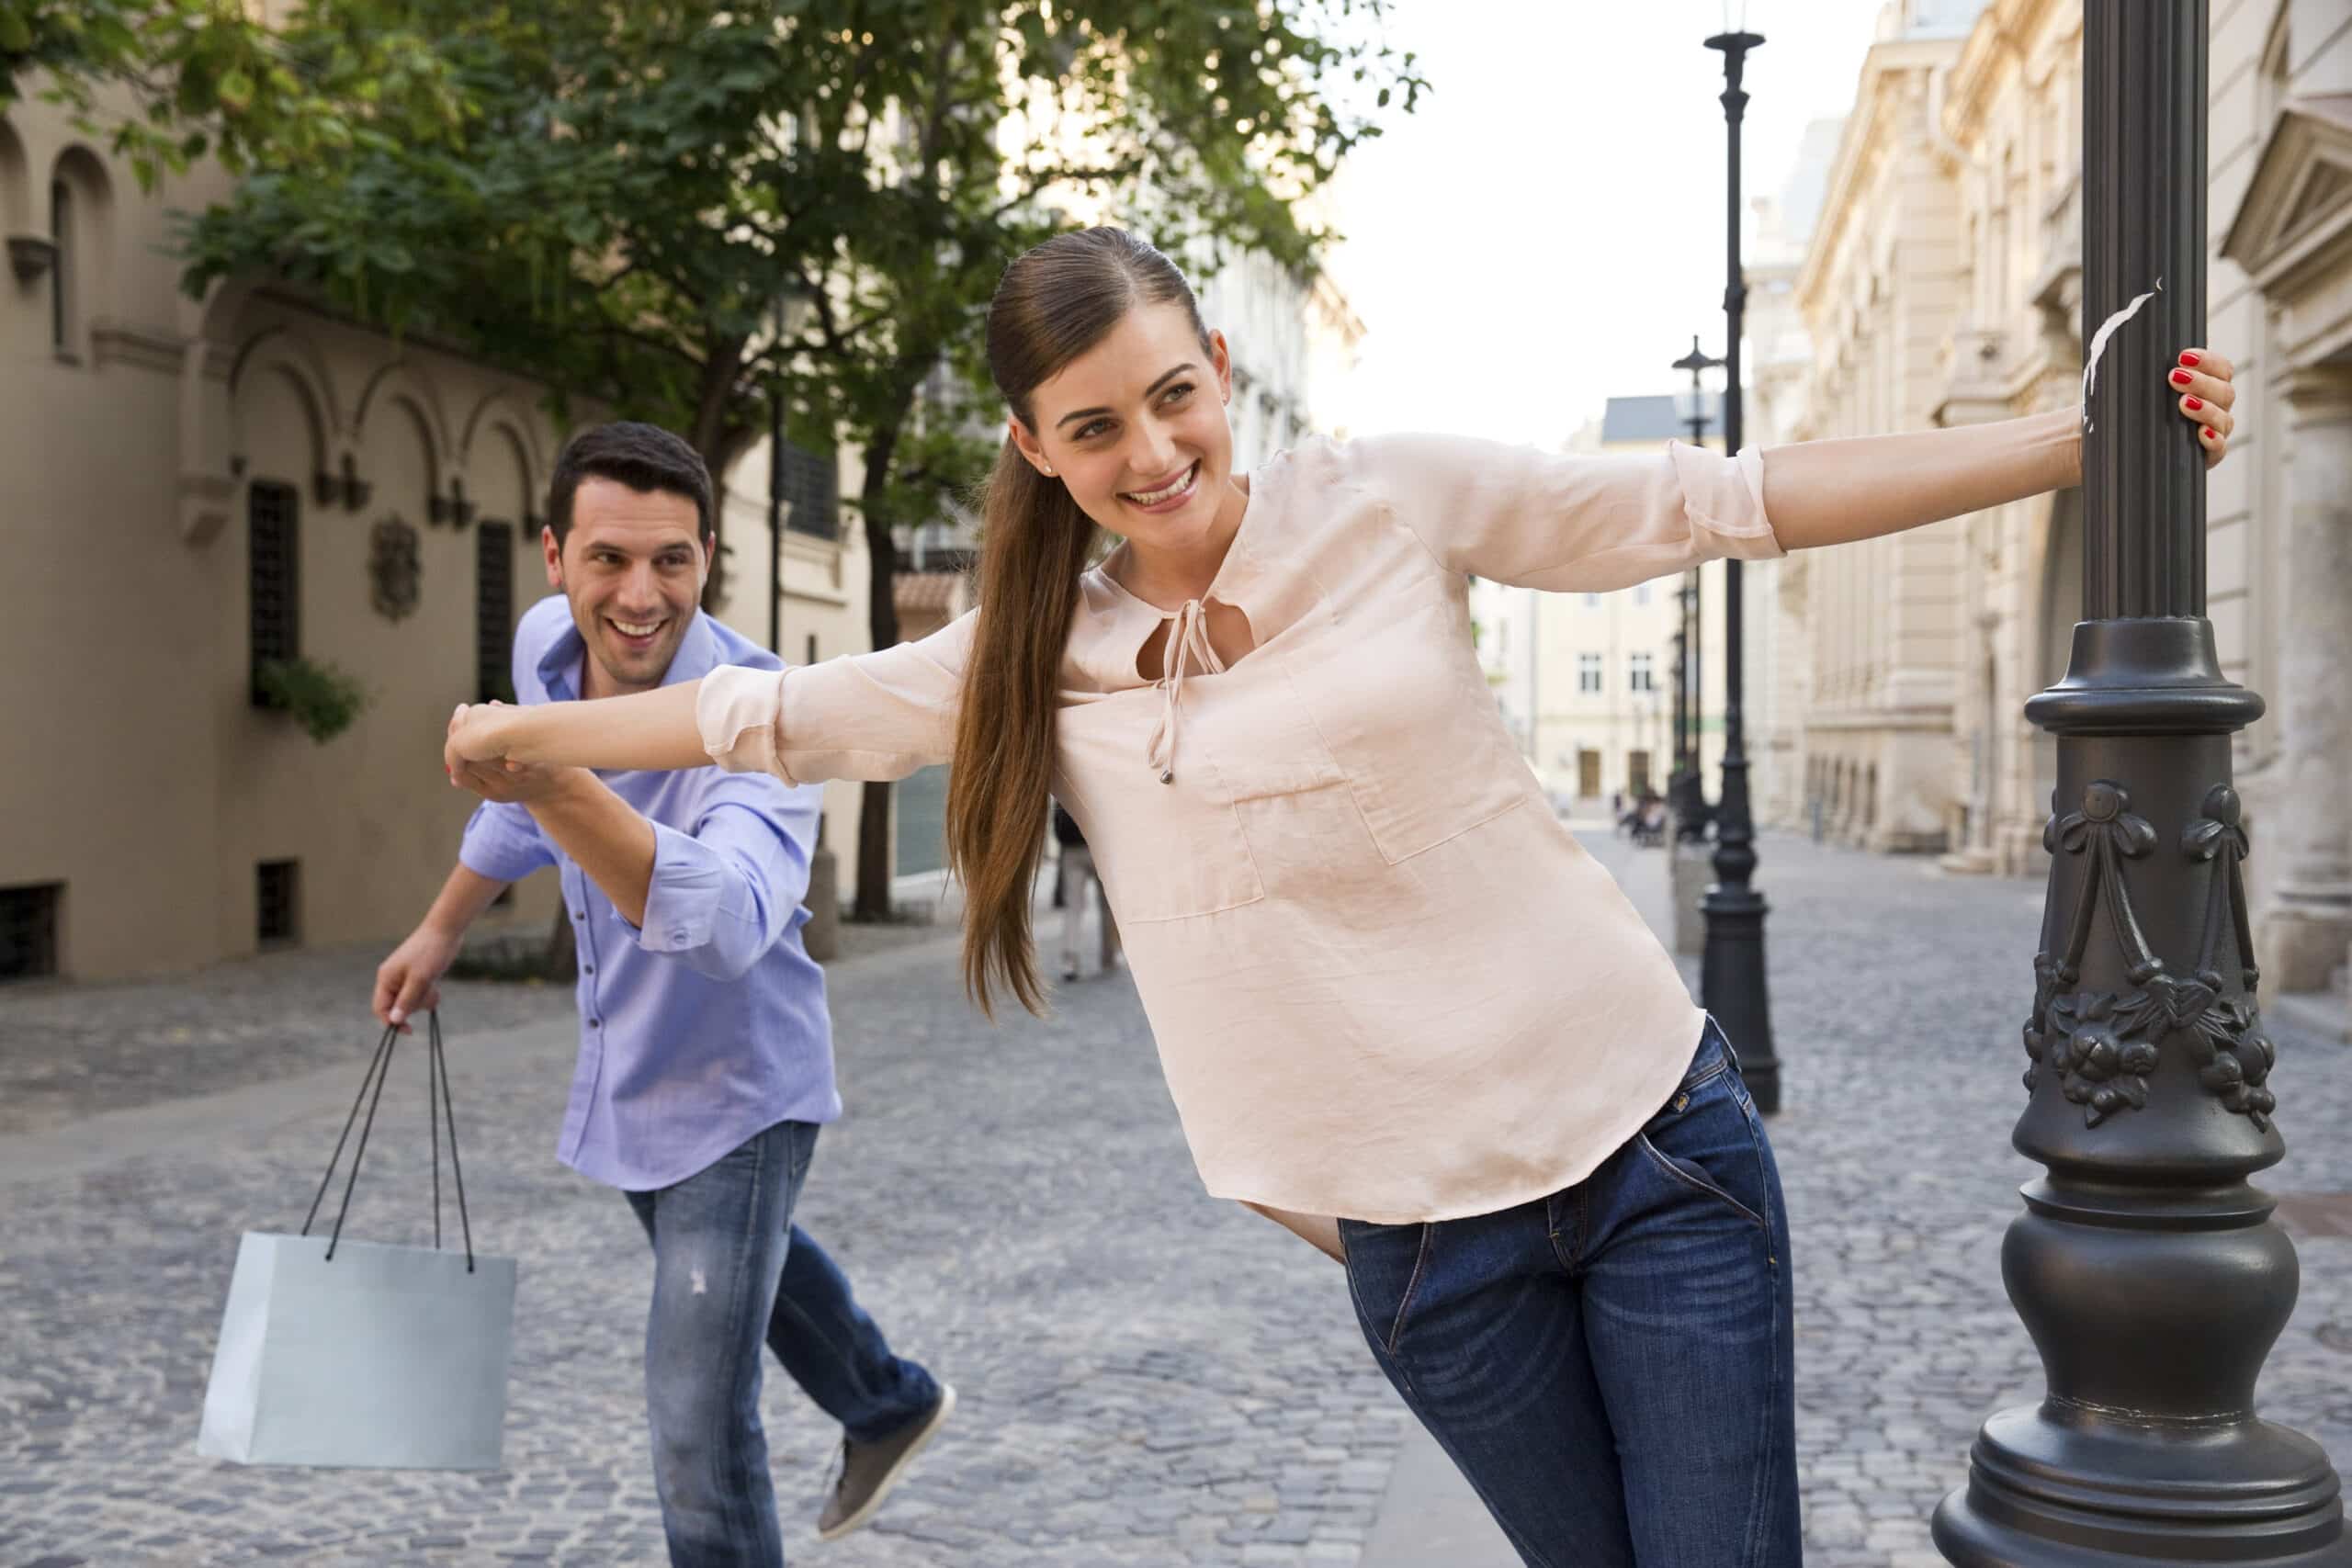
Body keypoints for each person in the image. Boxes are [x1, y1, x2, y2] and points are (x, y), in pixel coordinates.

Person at [440, 230, 2237, 1566]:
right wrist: (532, 735)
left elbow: (1718, 499)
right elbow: (766, 712)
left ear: (1218, 366)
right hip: (1429, 1255)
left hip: (1649, 1155)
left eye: (1171, 395)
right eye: (1092, 428)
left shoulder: (1386, 500)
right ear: (1031, 446)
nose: (1149, 452)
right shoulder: (1025, 662)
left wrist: (2060, 447)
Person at [376, 422, 952, 1566]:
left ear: (706, 560)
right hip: (629, 1071)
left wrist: (551, 775)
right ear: (555, 556)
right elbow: (509, 810)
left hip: (741, 1091)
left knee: (695, 1431)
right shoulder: (547, 647)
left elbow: (728, 922)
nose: (641, 595)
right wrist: (438, 930)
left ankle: (881, 1405)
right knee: (755, 1264)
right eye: (609, 560)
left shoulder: (768, 716)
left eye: (672, 561)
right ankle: (885, 1401)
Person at [1051, 801, 1097, 982]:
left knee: (1073, 908)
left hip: (1071, 851)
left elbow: (1057, 821)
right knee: (1109, 906)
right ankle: (1110, 954)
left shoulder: (1067, 777)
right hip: (1097, 847)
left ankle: (1070, 961)